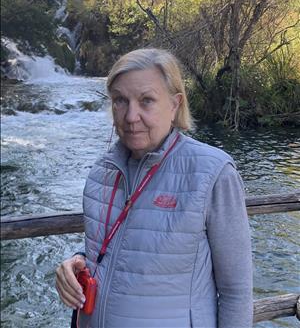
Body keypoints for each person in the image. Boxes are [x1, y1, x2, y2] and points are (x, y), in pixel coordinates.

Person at [56, 48, 253, 328]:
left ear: (174, 105)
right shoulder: (102, 172)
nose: (130, 116)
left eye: (146, 100)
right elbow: (116, 248)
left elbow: (236, 291)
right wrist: (77, 261)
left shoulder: (213, 172)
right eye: (120, 101)